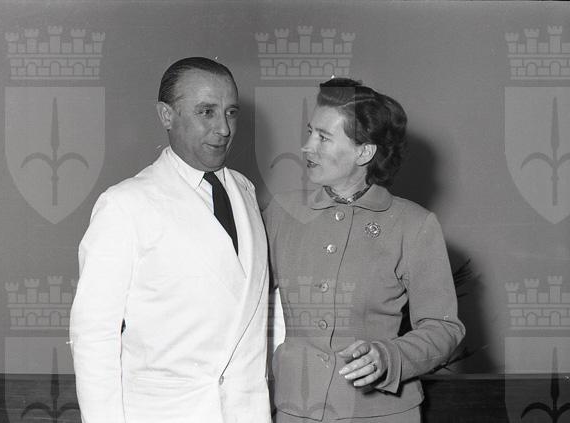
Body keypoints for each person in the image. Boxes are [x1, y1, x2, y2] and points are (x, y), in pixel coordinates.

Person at [70, 57, 271, 423]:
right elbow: (93, 335)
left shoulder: (245, 191)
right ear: (166, 115)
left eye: (231, 112)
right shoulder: (125, 204)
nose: (224, 128)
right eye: (206, 112)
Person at [264, 78, 465, 422]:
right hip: (297, 409)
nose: (307, 146)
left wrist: (389, 357)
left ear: (364, 152)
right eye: (311, 132)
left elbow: (444, 327)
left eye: (323, 137)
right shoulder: (281, 213)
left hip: (381, 413)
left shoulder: (413, 224)